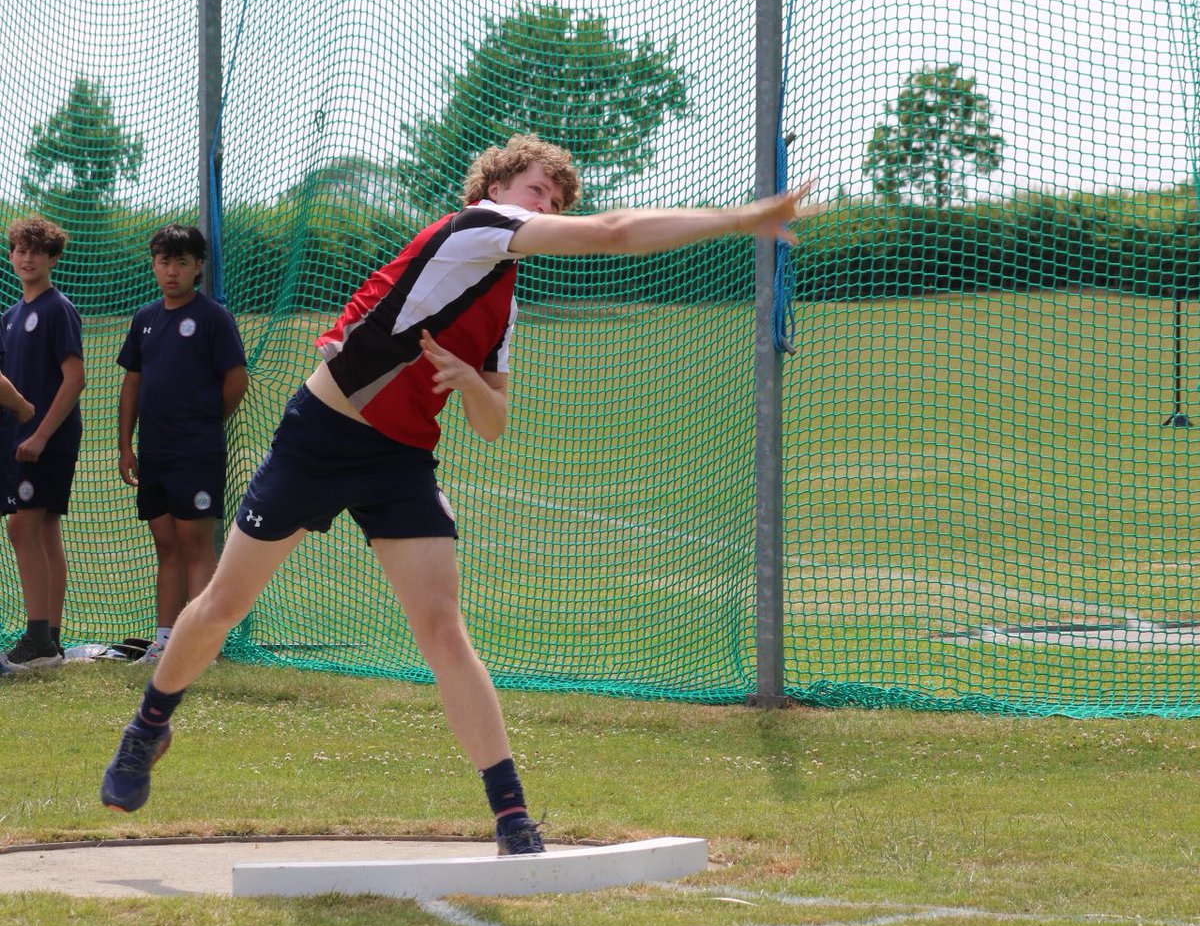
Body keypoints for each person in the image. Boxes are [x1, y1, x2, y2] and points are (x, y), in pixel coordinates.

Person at [100, 134, 818, 852]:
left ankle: (510, 815)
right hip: (320, 435)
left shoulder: (500, 297)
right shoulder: (477, 228)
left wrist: (473, 381)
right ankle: (148, 727)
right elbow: (615, 233)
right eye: (539, 191)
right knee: (225, 603)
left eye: (559, 201)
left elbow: (493, 422)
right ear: (497, 188)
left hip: (400, 459)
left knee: (442, 627)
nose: (549, 206)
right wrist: (741, 218)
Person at [117, 225, 249, 665]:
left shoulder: (213, 317)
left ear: (197, 267)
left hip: (197, 451)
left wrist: (204, 423)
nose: (171, 271)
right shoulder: (145, 319)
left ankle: (203, 645)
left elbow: (236, 380)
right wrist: (125, 445)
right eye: (164, 261)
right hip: (154, 452)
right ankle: (165, 640)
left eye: (181, 263)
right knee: (165, 544)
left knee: (196, 542)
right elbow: (132, 382)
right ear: (153, 265)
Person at [1, 217, 85, 671]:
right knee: (46, 529)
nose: (27, 257)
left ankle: (36, 641)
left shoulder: (58, 309)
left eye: (37, 251)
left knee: (21, 528)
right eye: (20, 249)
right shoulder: (9, 317)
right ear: (11, 255)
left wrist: (40, 434)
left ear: (53, 259)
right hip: (19, 438)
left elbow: (76, 379)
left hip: (46, 437)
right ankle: (50, 639)